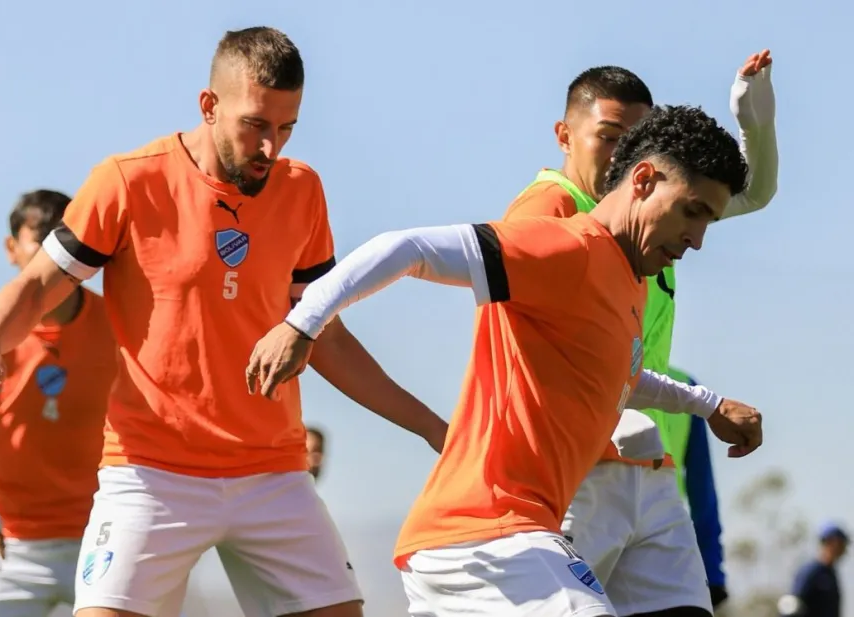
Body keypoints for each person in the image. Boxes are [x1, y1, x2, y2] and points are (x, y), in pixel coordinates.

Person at [0, 26, 447, 617]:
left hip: (272, 472)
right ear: (209, 106)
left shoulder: (303, 190)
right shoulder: (129, 180)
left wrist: (434, 428)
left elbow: (328, 339)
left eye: (286, 129)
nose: (271, 150)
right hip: (150, 474)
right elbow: (34, 287)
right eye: (256, 126)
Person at [246, 103, 764, 617]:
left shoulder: (629, 282)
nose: (697, 239)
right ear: (644, 180)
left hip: (517, 537)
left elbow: (620, 378)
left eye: (709, 222)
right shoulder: (566, 245)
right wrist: (302, 323)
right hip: (478, 537)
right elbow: (407, 247)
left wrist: (708, 406)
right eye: (692, 211)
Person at [503, 50, 777, 616]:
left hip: (640, 465)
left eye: (638, 141)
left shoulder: (654, 212)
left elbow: (754, 192)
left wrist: (753, 114)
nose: (623, 157)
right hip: (574, 475)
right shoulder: (550, 209)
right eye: (608, 137)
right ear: (564, 134)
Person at [0, 190, 118, 616]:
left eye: (65, 243)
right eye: (42, 243)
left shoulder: (120, 326)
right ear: (11, 249)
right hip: (10, 548)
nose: (56, 259)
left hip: (105, 539)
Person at [668, 366, 729, 610]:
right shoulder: (686, 387)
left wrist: (712, 569)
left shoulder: (688, 388)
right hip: (587, 535)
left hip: (661, 543)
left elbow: (702, 491)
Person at [779, 524, 849, 617]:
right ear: (830, 543)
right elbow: (793, 605)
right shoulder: (811, 572)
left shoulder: (831, 574)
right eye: (841, 544)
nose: (843, 549)